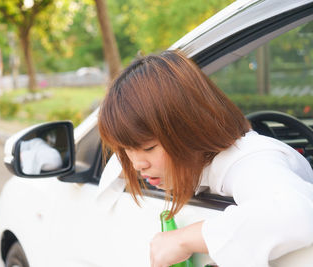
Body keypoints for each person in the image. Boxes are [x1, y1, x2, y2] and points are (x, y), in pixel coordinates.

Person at [98, 50, 313, 267]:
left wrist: (184, 239)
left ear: (191, 126)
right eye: (125, 149)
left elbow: (297, 213)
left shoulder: (249, 160)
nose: (137, 164)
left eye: (149, 148)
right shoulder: (194, 159)